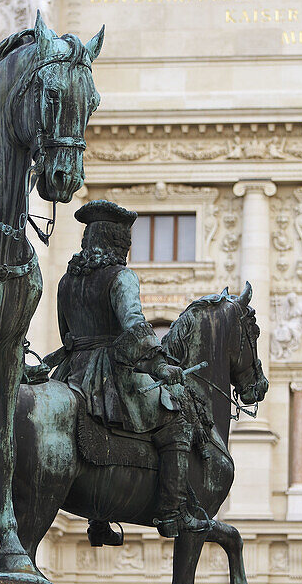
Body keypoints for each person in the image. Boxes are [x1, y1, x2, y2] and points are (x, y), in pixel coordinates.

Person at [48, 200, 212, 544]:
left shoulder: (66, 281)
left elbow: (66, 335)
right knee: (177, 414)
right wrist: (158, 364)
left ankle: (99, 520)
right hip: (108, 376)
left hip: (70, 372)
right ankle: (173, 511)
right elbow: (134, 326)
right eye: (125, 242)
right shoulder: (121, 277)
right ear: (117, 242)